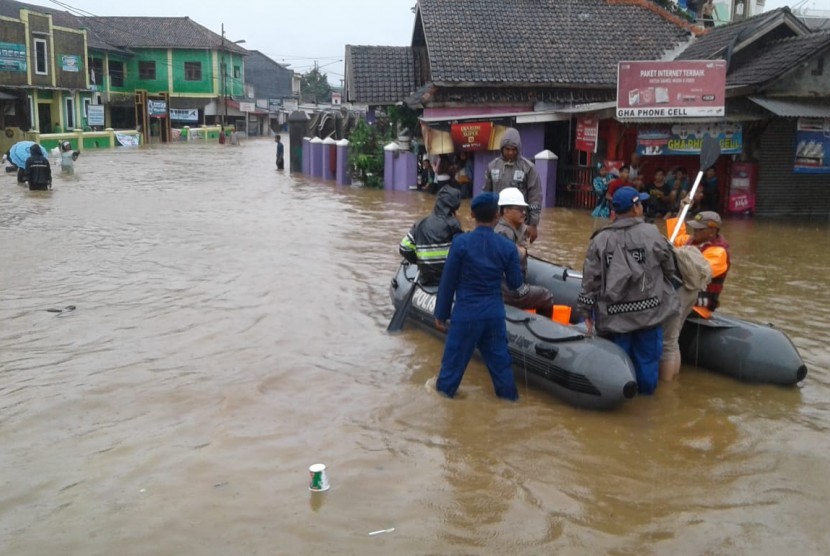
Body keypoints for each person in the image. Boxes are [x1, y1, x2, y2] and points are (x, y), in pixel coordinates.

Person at [577, 186, 679, 395]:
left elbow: (590, 281)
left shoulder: (600, 240)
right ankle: (644, 406)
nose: (642, 207)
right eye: (640, 203)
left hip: (613, 317)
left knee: (617, 364)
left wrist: (586, 312)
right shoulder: (651, 233)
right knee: (647, 363)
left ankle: (619, 402)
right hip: (648, 314)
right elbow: (670, 268)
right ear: (635, 209)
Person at [433, 192, 524, 400]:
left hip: (466, 314)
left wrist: (441, 314)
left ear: (472, 214)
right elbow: (515, 284)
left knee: (450, 372)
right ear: (498, 215)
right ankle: (510, 401)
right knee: (501, 367)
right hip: (494, 315)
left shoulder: (460, 243)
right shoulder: (508, 247)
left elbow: (448, 281)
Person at [494, 187, 555, 316]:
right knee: (546, 296)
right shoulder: (504, 232)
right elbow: (511, 258)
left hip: (505, 286)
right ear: (507, 211)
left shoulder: (510, 228)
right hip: (508, 290)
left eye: (524, 209)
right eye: (520, 209)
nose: (524, 213)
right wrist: (522, 252)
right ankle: (544, 328)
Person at [483, 127, 542, 243]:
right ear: (502, 148)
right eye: (507, 149)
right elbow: (486, 194)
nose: (510, 152)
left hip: (519, 222)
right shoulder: (492, 166)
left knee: (518, 253)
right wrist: (485, 219)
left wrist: (533, 224)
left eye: (514, 149)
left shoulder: (528, 168)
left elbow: (535, 197)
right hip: (496, 220)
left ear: (518, 149)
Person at [399, 186, 464, 286]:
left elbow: (404, 247)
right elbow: (463, 251)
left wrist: (418, 261)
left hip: (425, 279)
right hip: (447, 280)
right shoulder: (453, 224)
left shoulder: (420, 223)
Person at [673, 211, 730, 320]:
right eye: (695, 228)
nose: (695, 231)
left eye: (700, 229)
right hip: (679, 300)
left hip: (697, 308)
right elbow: (676, 236)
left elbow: (696, 273)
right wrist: (681, 211)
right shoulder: (689, 240)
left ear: (712, 232)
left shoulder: (718, 252)